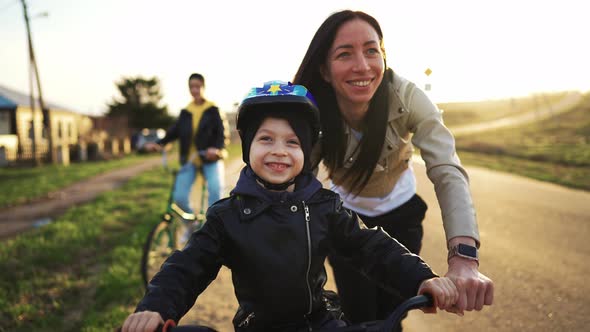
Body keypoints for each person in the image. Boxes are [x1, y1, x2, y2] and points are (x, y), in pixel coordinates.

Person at [121, 81, 460, 332]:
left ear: (306, 151)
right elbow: (186, 266)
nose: (279, 150)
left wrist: (422, 279)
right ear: (247, 148)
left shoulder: (325, 207)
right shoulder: (227, 217)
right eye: (266, 139)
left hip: (320, 324)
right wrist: (155, 307)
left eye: (292, 142)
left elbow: (371, 245)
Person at [292, 9, 494, 326]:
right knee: (357, 314)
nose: (362, 65)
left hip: (402, 215)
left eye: (372, 51)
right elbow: (296, 182)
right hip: (348, 223)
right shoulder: (311, 111)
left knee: (391, 316)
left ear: (384, 57)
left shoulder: (406, 96)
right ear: (325, 70)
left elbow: (446, 169)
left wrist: (464, 256)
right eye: (345, 54)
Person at [145, 73, 229, 212]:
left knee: (215, 191)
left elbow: (222, 134)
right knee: (179, 197)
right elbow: (173, 132)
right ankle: (191, 223)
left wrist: (216, 149)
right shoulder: (186, 112)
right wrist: (159, 143)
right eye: (191, 87)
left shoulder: (213, 109)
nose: (194, 90)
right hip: (190, 160)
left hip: (210, 158)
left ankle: (214, 227)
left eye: (197, 86)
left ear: (203, 87)